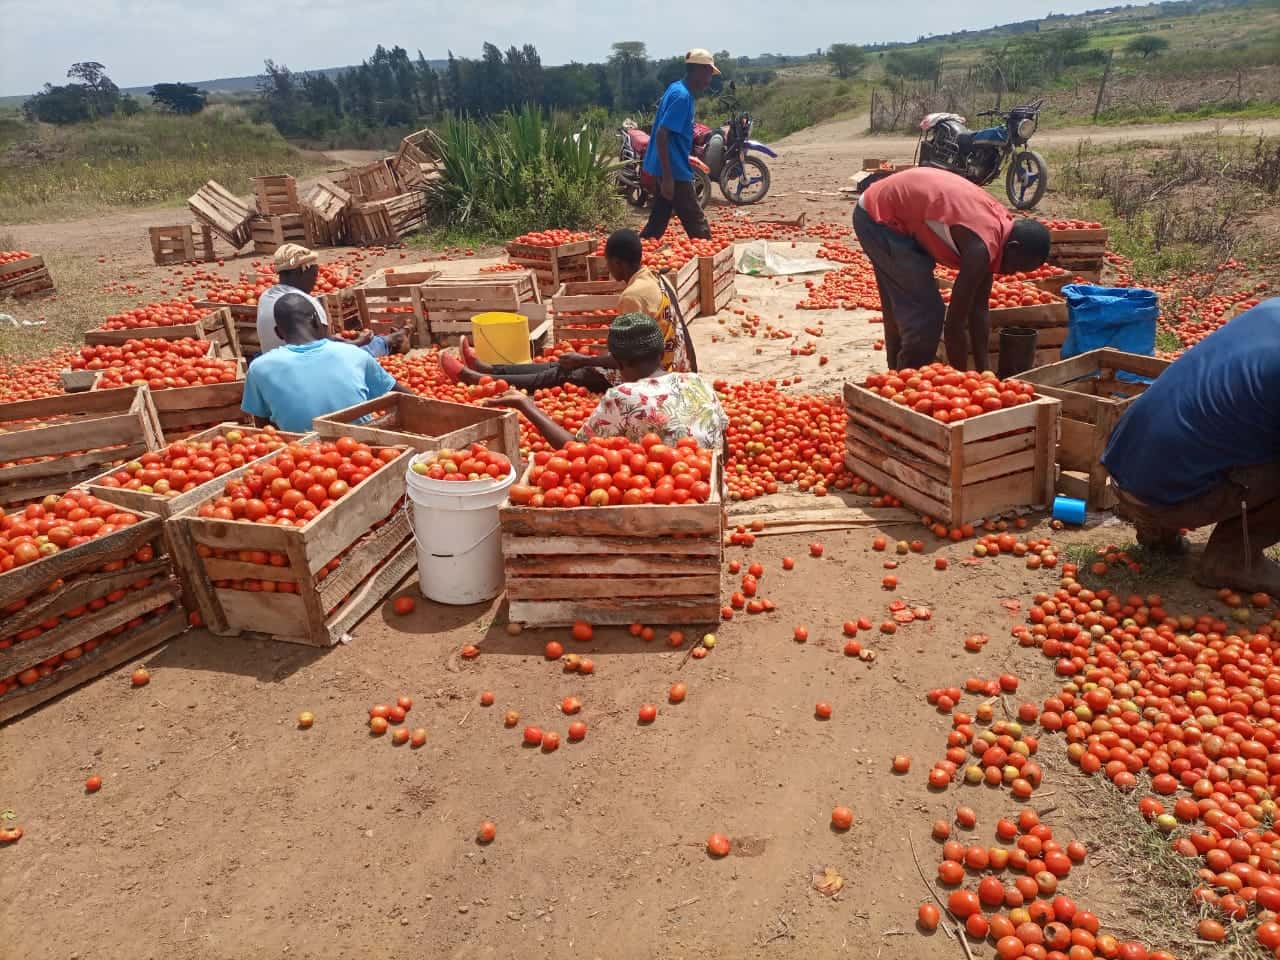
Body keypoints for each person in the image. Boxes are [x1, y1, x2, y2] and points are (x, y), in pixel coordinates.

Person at [1101, 299, 1280, 594]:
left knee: (1221, 428)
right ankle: (1232, 560)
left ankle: (1157, 530)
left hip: (1122, 471)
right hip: (1161, 496)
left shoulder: (1270, 309)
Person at [440, 229, 697, 391]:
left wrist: (586, 360)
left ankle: (476, 379)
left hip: (648, 375)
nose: (608, 269)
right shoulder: (654, 278)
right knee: (560, 364)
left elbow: (626, 358)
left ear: (617, 262)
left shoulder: (633, 297)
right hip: (669, 365)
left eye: (608, 263)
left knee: (562, 375)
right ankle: (489, 369)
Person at [853, 167, 1051, 372]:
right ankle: (905, 383)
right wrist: (963, 380)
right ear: (1013, 247)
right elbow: (954, 325)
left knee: (900, 303)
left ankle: (894, 377)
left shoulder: (1001, 230)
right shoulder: (979, 249)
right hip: (878, 216)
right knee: (927, 315)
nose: (1009, 274)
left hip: (894, 206)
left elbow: (979, 310)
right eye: (1014, 268)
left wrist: (984, 373)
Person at [483, 313, 728, 456]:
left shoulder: (623, 396)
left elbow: (575, 449)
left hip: (665, 500)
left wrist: (527, 406)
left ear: (617, 361)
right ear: (661, 352)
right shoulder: (698, 382)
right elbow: (723, 449)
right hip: (708, 488)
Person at [241, 293, 412, 434]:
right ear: (317, 321)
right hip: (363, 447)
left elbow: (265, 431)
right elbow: (406, 398)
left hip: (302, 460)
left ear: (278, 333)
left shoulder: (258, 368)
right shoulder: (354, 354)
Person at [255, 243, 404, 359]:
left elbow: (308, 339)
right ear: (303, 271)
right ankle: (391, 340)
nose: (316, 279)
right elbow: (324, 349)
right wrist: (359, 342)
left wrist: (335, 339)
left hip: (275, 359)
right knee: (368, 348)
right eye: (314, 273)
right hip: (309, 364)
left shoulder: (265, 296)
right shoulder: (306, 302)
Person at [639, 50, 717, 242]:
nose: (709, 81)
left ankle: (636, 254)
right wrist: (667, 177)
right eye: (708, 74)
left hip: (668, 167)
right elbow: (662, 134)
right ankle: (709, 259)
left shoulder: (676, 88)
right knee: (696, 222)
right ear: (698, 70)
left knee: (659, 218)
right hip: (674, 170)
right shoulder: (682, 97)